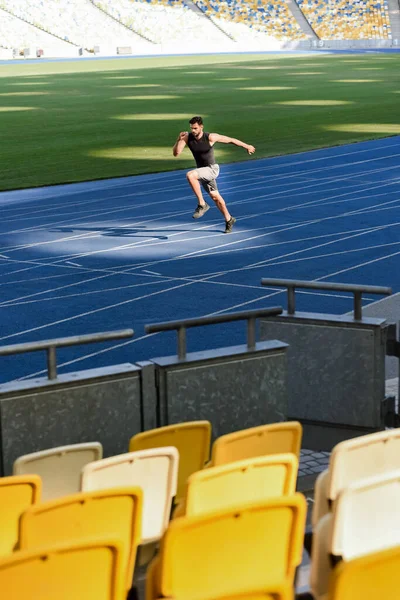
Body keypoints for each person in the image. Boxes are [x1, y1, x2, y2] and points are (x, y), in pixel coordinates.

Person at [172, 116, 255, 233]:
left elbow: (231, 140)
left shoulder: (210, 137)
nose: (193, 131)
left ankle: (202, 204)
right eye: (191, 128)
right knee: (216, 197)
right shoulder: (187, 138)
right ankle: (229, 219)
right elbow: (176, 153)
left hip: (211, 169)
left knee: (190, 175)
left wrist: (247, 146)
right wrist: (178, 140)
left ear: (201, 127)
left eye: (195, 128)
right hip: (202, 172)